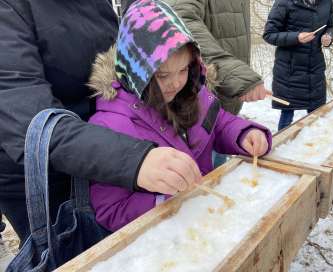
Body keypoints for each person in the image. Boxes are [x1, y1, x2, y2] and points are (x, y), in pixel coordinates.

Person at [0, 0, 201, 245]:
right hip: (45, 178)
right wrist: (133, 159)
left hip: (107, 153)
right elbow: (29, 123)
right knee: (72, 251)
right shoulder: (10, 10)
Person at [87, 0, 272, 232]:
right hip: (165, 241)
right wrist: (164, 202)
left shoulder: (192, 93)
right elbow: (111, 210)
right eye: (163, 75)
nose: (175, 82)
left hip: (206, 221)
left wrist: (243, 134)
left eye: (183, 70)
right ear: (136, 70)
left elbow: (218, 123)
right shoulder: (111, 125)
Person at [263, 0, 333, 130]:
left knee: (316, 118)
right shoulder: (284, 2)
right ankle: (281, 148)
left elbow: (330, 26)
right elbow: (269, 34)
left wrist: (328, 37)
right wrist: (296, 37)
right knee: (287, 115)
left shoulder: (327, 2)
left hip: (315, 70)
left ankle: (316, 148)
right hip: (289, 71)